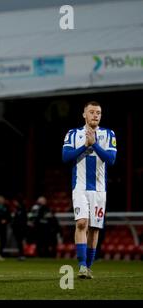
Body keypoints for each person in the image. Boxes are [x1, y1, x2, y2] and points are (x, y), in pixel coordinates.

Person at [62, 101, 117, 279]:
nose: (95, 115)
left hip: (99, 190)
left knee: (94, 228)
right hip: (79, 187)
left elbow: (111, 160)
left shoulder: (109, 134)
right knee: (81, 223)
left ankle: (89, 266)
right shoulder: (73, 134)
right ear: (84, 114)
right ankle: (82, 266)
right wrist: (85, 145)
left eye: (98, 113)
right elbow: (65, 157)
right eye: (92, 112)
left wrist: (95, 144)